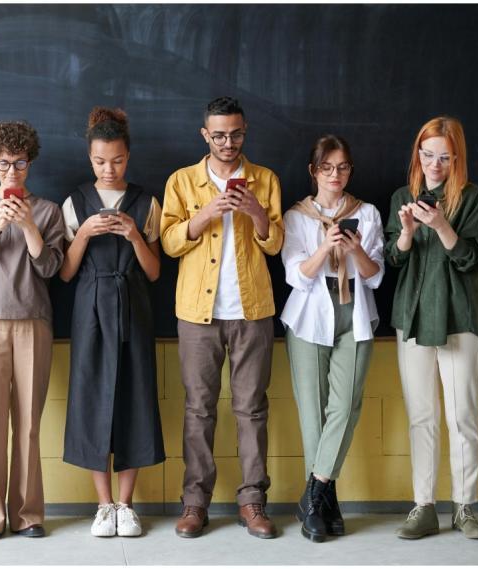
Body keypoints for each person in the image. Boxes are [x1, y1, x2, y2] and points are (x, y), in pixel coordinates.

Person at [160, 96, 283, 539]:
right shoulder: (182, 181)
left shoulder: (264, 179)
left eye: (236, 134)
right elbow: (170, 243)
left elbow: (275, 246)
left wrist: (256, 214)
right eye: (219, 135)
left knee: (251, 409)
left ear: (245, 132)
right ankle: (195, 504)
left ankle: (253, 502)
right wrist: (205, 215)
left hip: (253, 311)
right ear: (205, 135)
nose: (228, 142)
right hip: (197, 313)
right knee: (199, 410)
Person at [60, 107, 166, 538]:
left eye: (117, 160)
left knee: (135, 398)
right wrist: (84, 233)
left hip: (133, 305)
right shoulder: (75, 201)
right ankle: (103, 505)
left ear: (128, 156)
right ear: (90, 158)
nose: (109, 169)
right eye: (101, 161)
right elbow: (65, 273)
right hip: (90, 308)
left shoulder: (145, 202)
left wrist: (133, 235)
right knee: (91, 399)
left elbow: (156, 272)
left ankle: (127, 503)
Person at [0, 120, 65, 540]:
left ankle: (29, 514)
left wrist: (28, 225)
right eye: (3, 164)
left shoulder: (48, 210)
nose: (11, 172)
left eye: (19, 163)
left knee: (29, 425)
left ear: (30, 162)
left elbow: (50, 267)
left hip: (33, 323)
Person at [387, 117, 478, 540]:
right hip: (412, 318)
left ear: (456, 158)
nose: (434, 164)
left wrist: (441, 225)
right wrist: (409, 232)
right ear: (418, 154)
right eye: (428, 154)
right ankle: (423, 506)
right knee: (422, 417)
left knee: (463, 416)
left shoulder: (471, 198)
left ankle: (465, 507)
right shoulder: (402, 196)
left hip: (460, 317)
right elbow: (394, 261)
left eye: (444, 157)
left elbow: (470, 260)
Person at [280, 135, 384, 542]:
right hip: (308, 316)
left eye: (343, 167)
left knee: (346, 407)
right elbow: (296, 276)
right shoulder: (297, 216)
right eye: (327, 168)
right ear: (314, 171)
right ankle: (326, 504)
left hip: (354, 312)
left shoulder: (369, 213)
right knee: (314, 417)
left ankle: (311, 497)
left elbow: (374, 277)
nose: (336, 175)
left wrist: (355, 249)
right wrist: (325, 247)